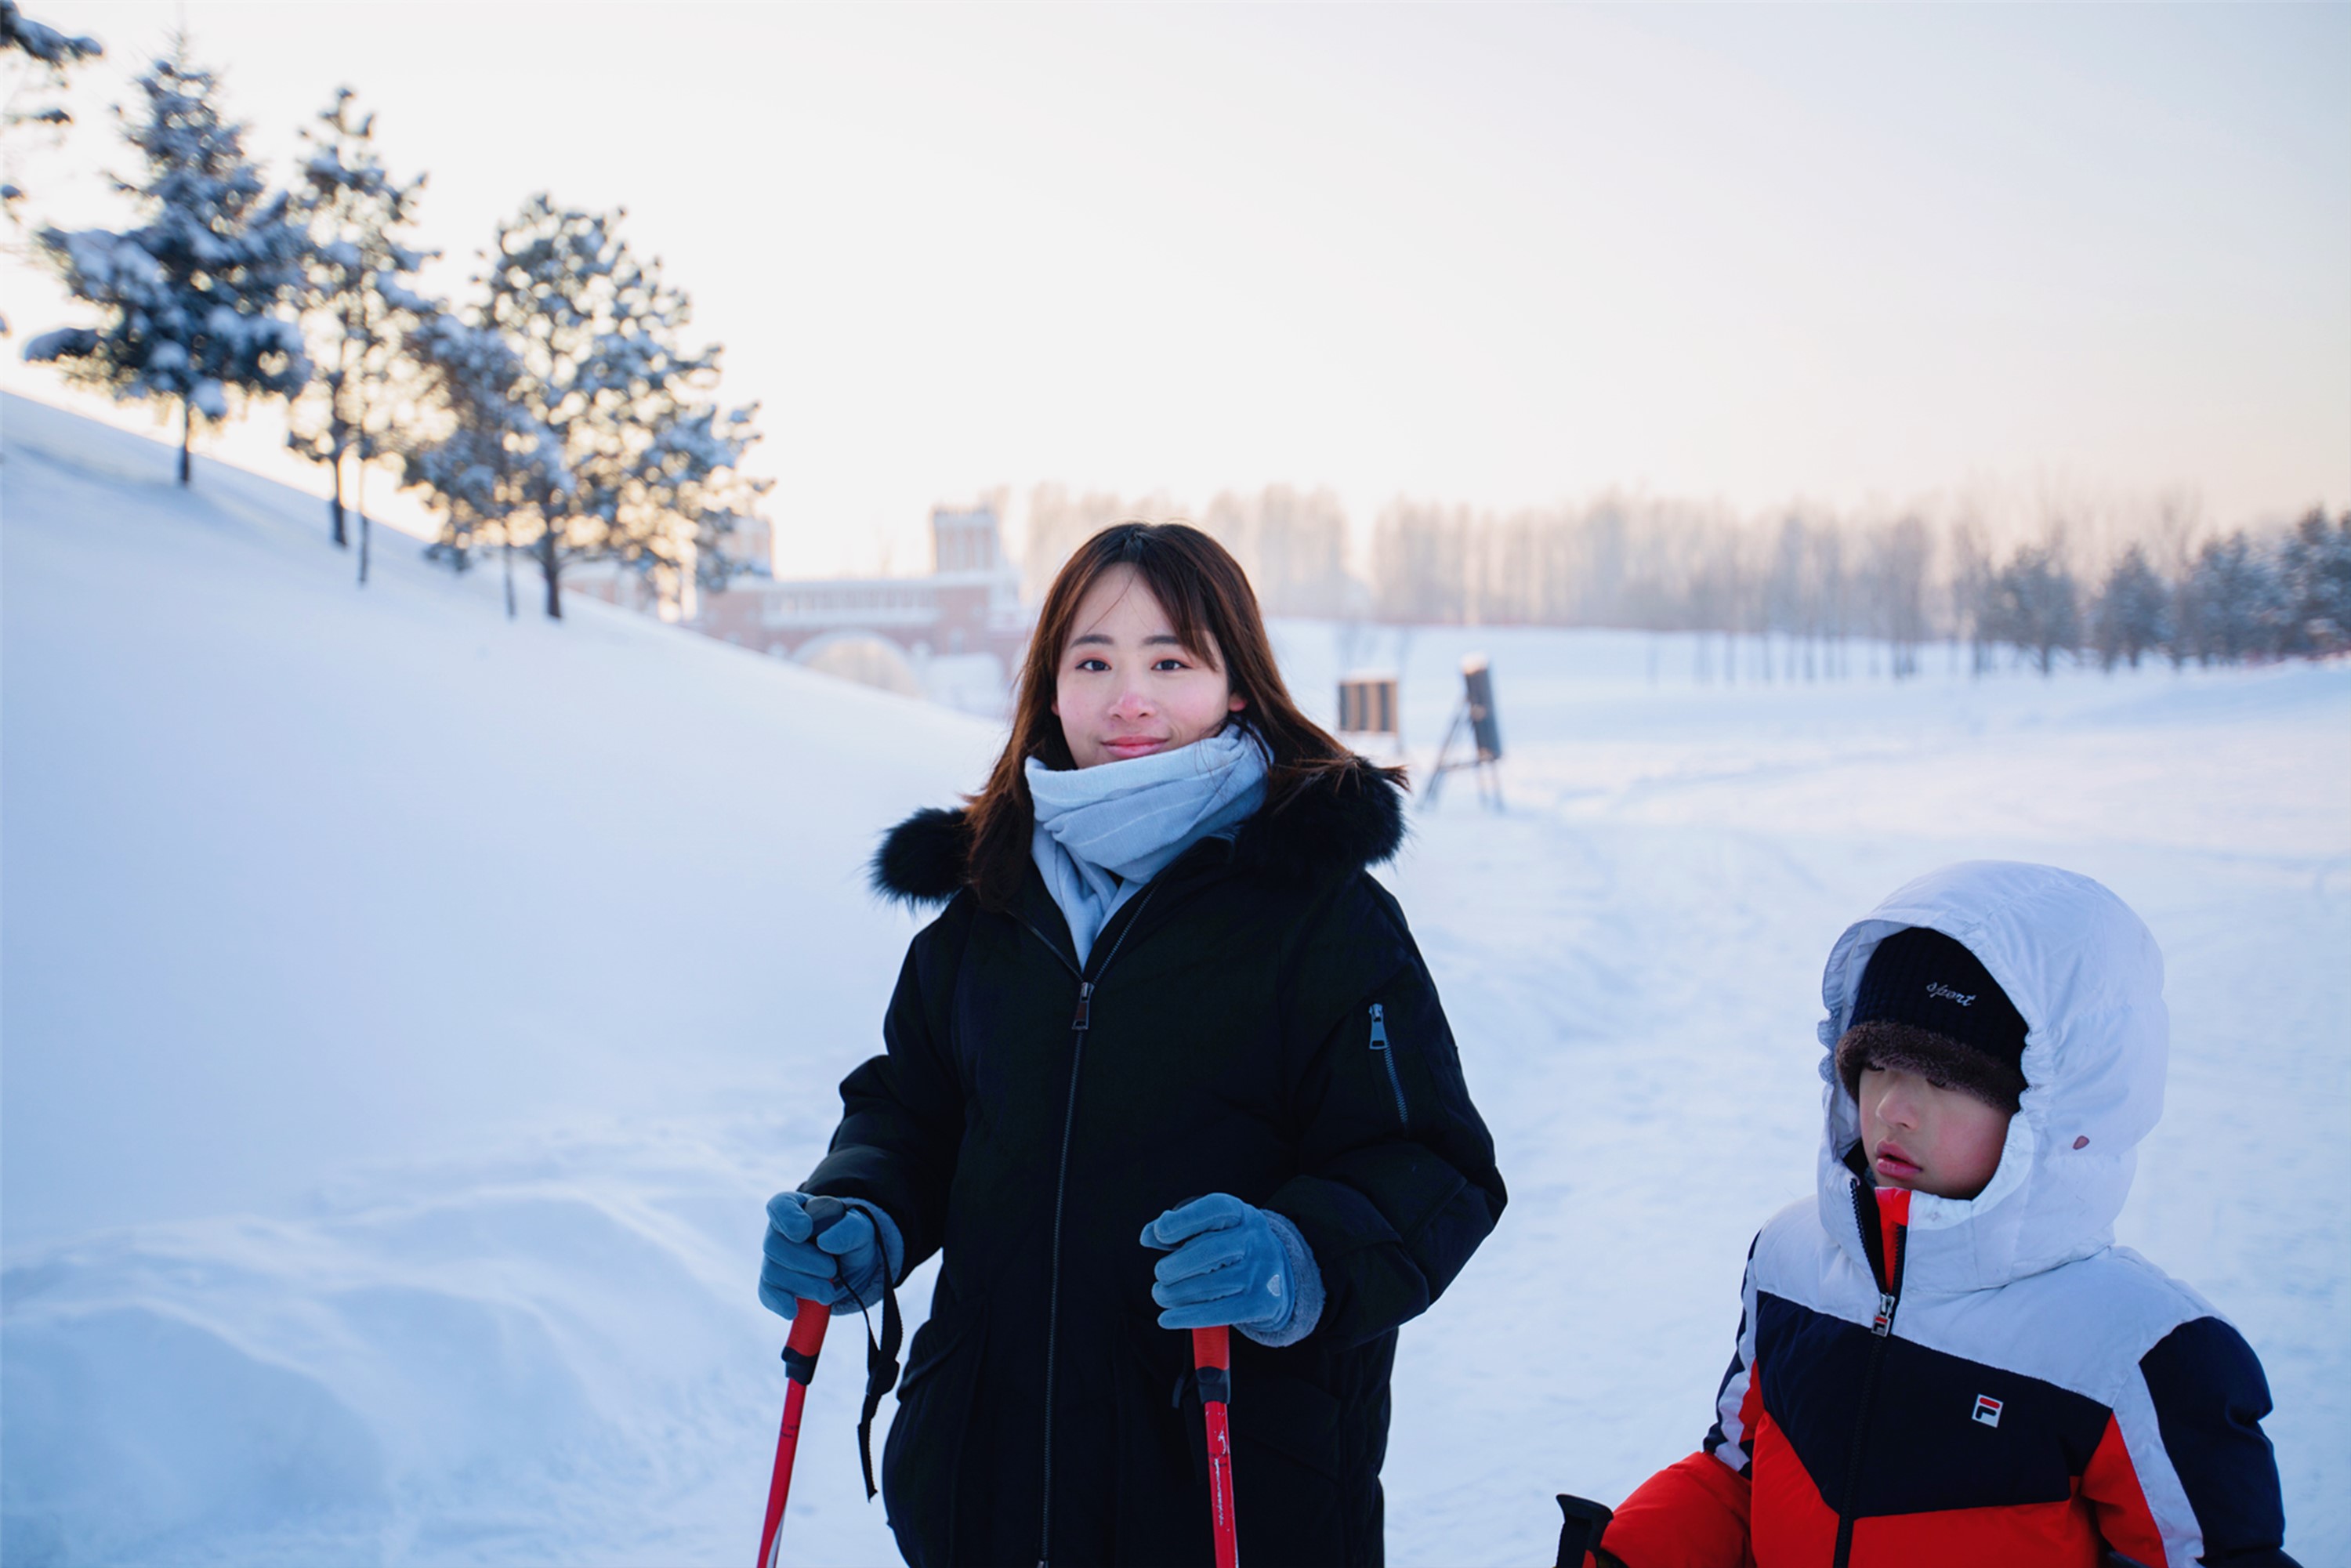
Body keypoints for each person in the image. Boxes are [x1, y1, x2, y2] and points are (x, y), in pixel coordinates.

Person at [760, 521, 1505, 1567]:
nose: (1130, 698)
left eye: (1171, 660)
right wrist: (864, 1207)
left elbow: (1431, 1164)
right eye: (1094, 661)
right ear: (1051, 687)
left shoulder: (1321, 914)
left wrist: (1299, 1256)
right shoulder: (987, 908)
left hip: (1229, 1497)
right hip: (990, 1493)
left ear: (1236, 684)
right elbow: (914, 1114)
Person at [1561, 860, 2295, 1568]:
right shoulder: (1790, 1261)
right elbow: (1737, 1477)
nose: (1892, 1109)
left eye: (1946, 1079)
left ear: (2054, 1106)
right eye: (1875, 1065)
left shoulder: (2136, 1351)